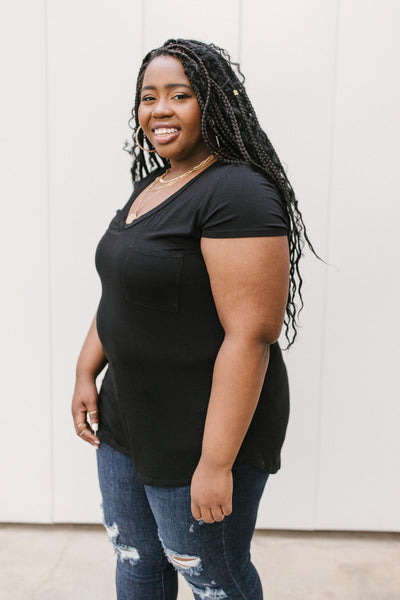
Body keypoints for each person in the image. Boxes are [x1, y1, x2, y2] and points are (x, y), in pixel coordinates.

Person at [71, 39, 315, 600]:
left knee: (214, 580)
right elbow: (122, 291)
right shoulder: (157, 184)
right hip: (128, 419)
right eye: (147, 97)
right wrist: (88, 370)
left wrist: (215, 462)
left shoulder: (237, 191)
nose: (159, 109)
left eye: (179, 95)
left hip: (200, 432)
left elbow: (250, 336)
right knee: (137, 564)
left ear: (213, 103)